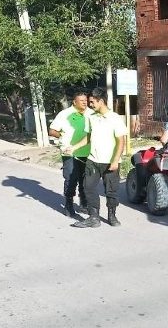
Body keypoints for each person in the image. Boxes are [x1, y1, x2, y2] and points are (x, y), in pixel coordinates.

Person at [66, 87, 128, 228]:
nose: (89, 105)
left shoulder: (115, 118)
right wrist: (74, 147)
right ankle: (94, 217)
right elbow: (88, 137)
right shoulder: (91, 117)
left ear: (101, 101)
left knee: (111, 191)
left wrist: (115, 160)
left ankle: (112, 216)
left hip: (109, 162)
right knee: (88, 187)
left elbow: (121, 141)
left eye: (92, 102)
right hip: (93, 160)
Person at [48, 89, 94, 217]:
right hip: (70, 153)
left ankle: (84, 203)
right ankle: (68, 204)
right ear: (74, 102)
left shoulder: (92, 113)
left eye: (86, 100)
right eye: (82, 101)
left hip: (88, 153)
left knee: (85, 180)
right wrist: (61, 135)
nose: (85, 103)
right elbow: (52, 131)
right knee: (71, 179)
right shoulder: (64, 114)